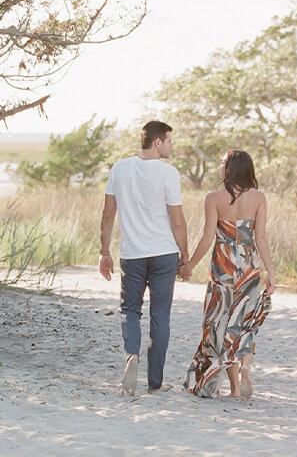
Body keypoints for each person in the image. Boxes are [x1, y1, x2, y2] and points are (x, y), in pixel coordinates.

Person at [99, 119, 190, 397]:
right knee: (160, 315)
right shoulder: (168, 173)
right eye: (169, 141)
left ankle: (132, 356)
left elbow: (107, 215)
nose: (172, 146)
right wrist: (185, 255)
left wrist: (104, 252)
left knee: (130, 310)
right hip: (163, 254)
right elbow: (177, 221)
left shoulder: (119, 168)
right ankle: (155, 382)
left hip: (132, 255)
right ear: (157, 142)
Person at [183, 149, 274, 400]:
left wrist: (189, 266)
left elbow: (206, 239)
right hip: (248, 265)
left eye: (223, 163)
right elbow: (261, 238)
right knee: (245, 321)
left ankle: (234, 389)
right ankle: (245, 368)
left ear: (232, 168)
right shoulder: (258, 197)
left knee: (223, 324)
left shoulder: (214, 198)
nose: (220, 167)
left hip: (223, 267)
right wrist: (271, 272)